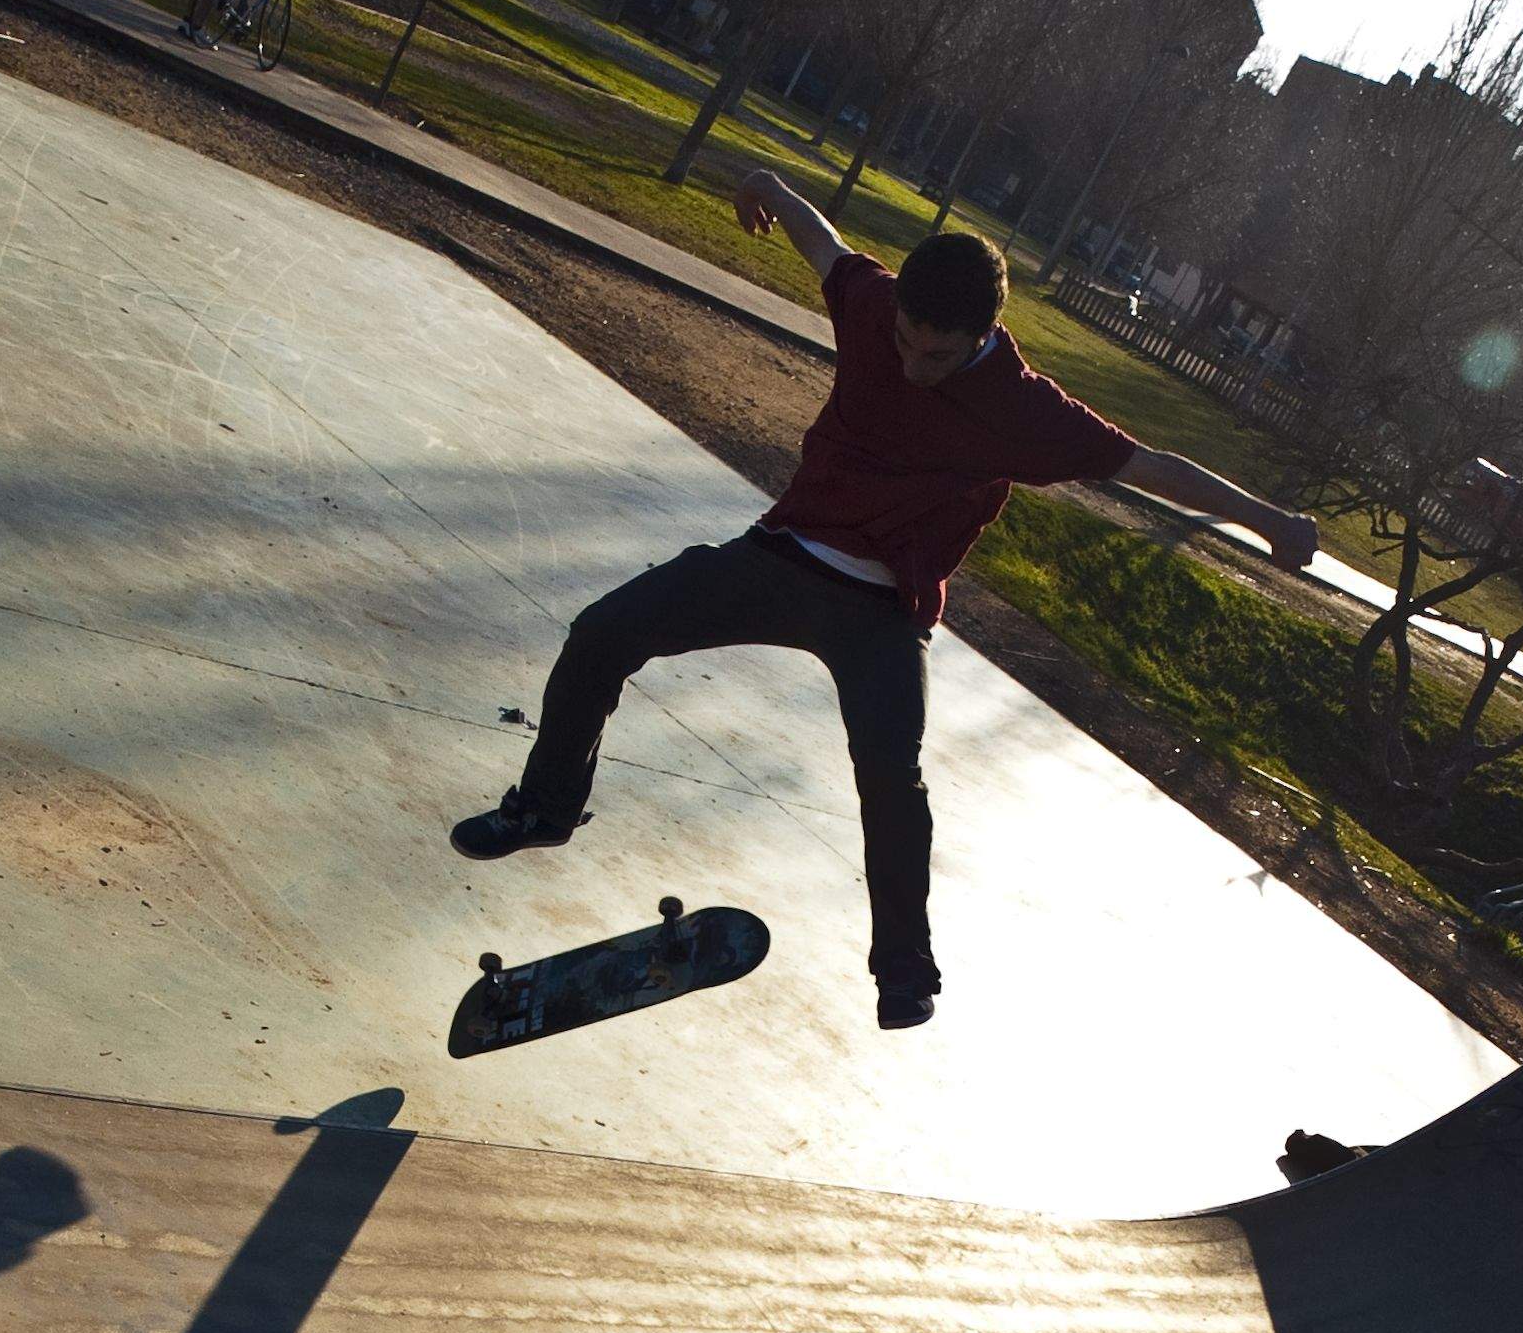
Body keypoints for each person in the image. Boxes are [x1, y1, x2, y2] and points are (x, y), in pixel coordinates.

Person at [451, 168, 1323, 1029]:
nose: (912, 365)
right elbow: (824, 246)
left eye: (936, 356)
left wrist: (1268, 518)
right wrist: (766, 184)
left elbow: (1151, 467)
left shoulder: (1027, 411)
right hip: (780, 559)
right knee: (601, 632)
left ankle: (903, 968)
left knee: (891, 780)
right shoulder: (872, 306)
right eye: (905, 341)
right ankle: (546, 807)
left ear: (984, 335)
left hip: (881, 615)